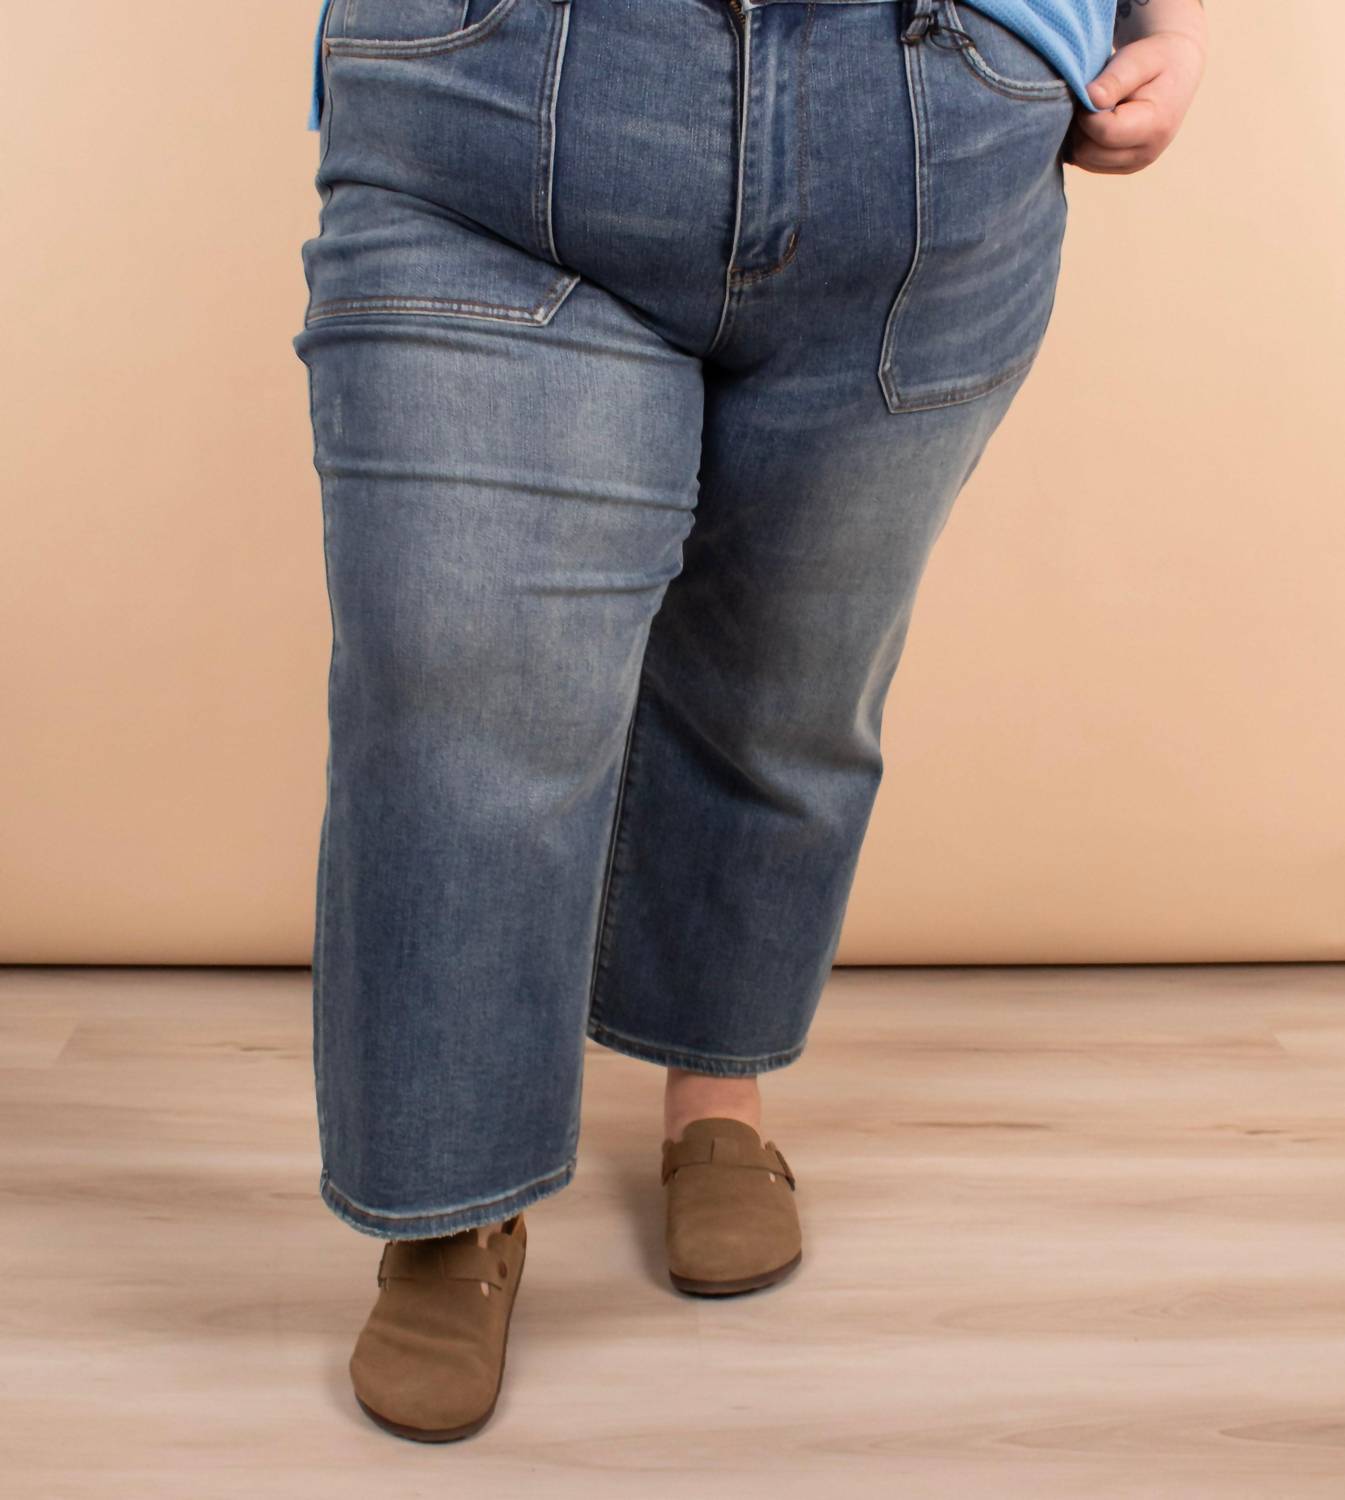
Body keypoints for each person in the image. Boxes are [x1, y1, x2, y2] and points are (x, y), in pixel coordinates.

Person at [292, 0, 1206, 1443]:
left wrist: (1175, 19)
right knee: (462, 695)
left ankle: (715, 1090)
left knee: (788, 678)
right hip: (496, 94)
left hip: (932, 109)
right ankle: (450, 1210)